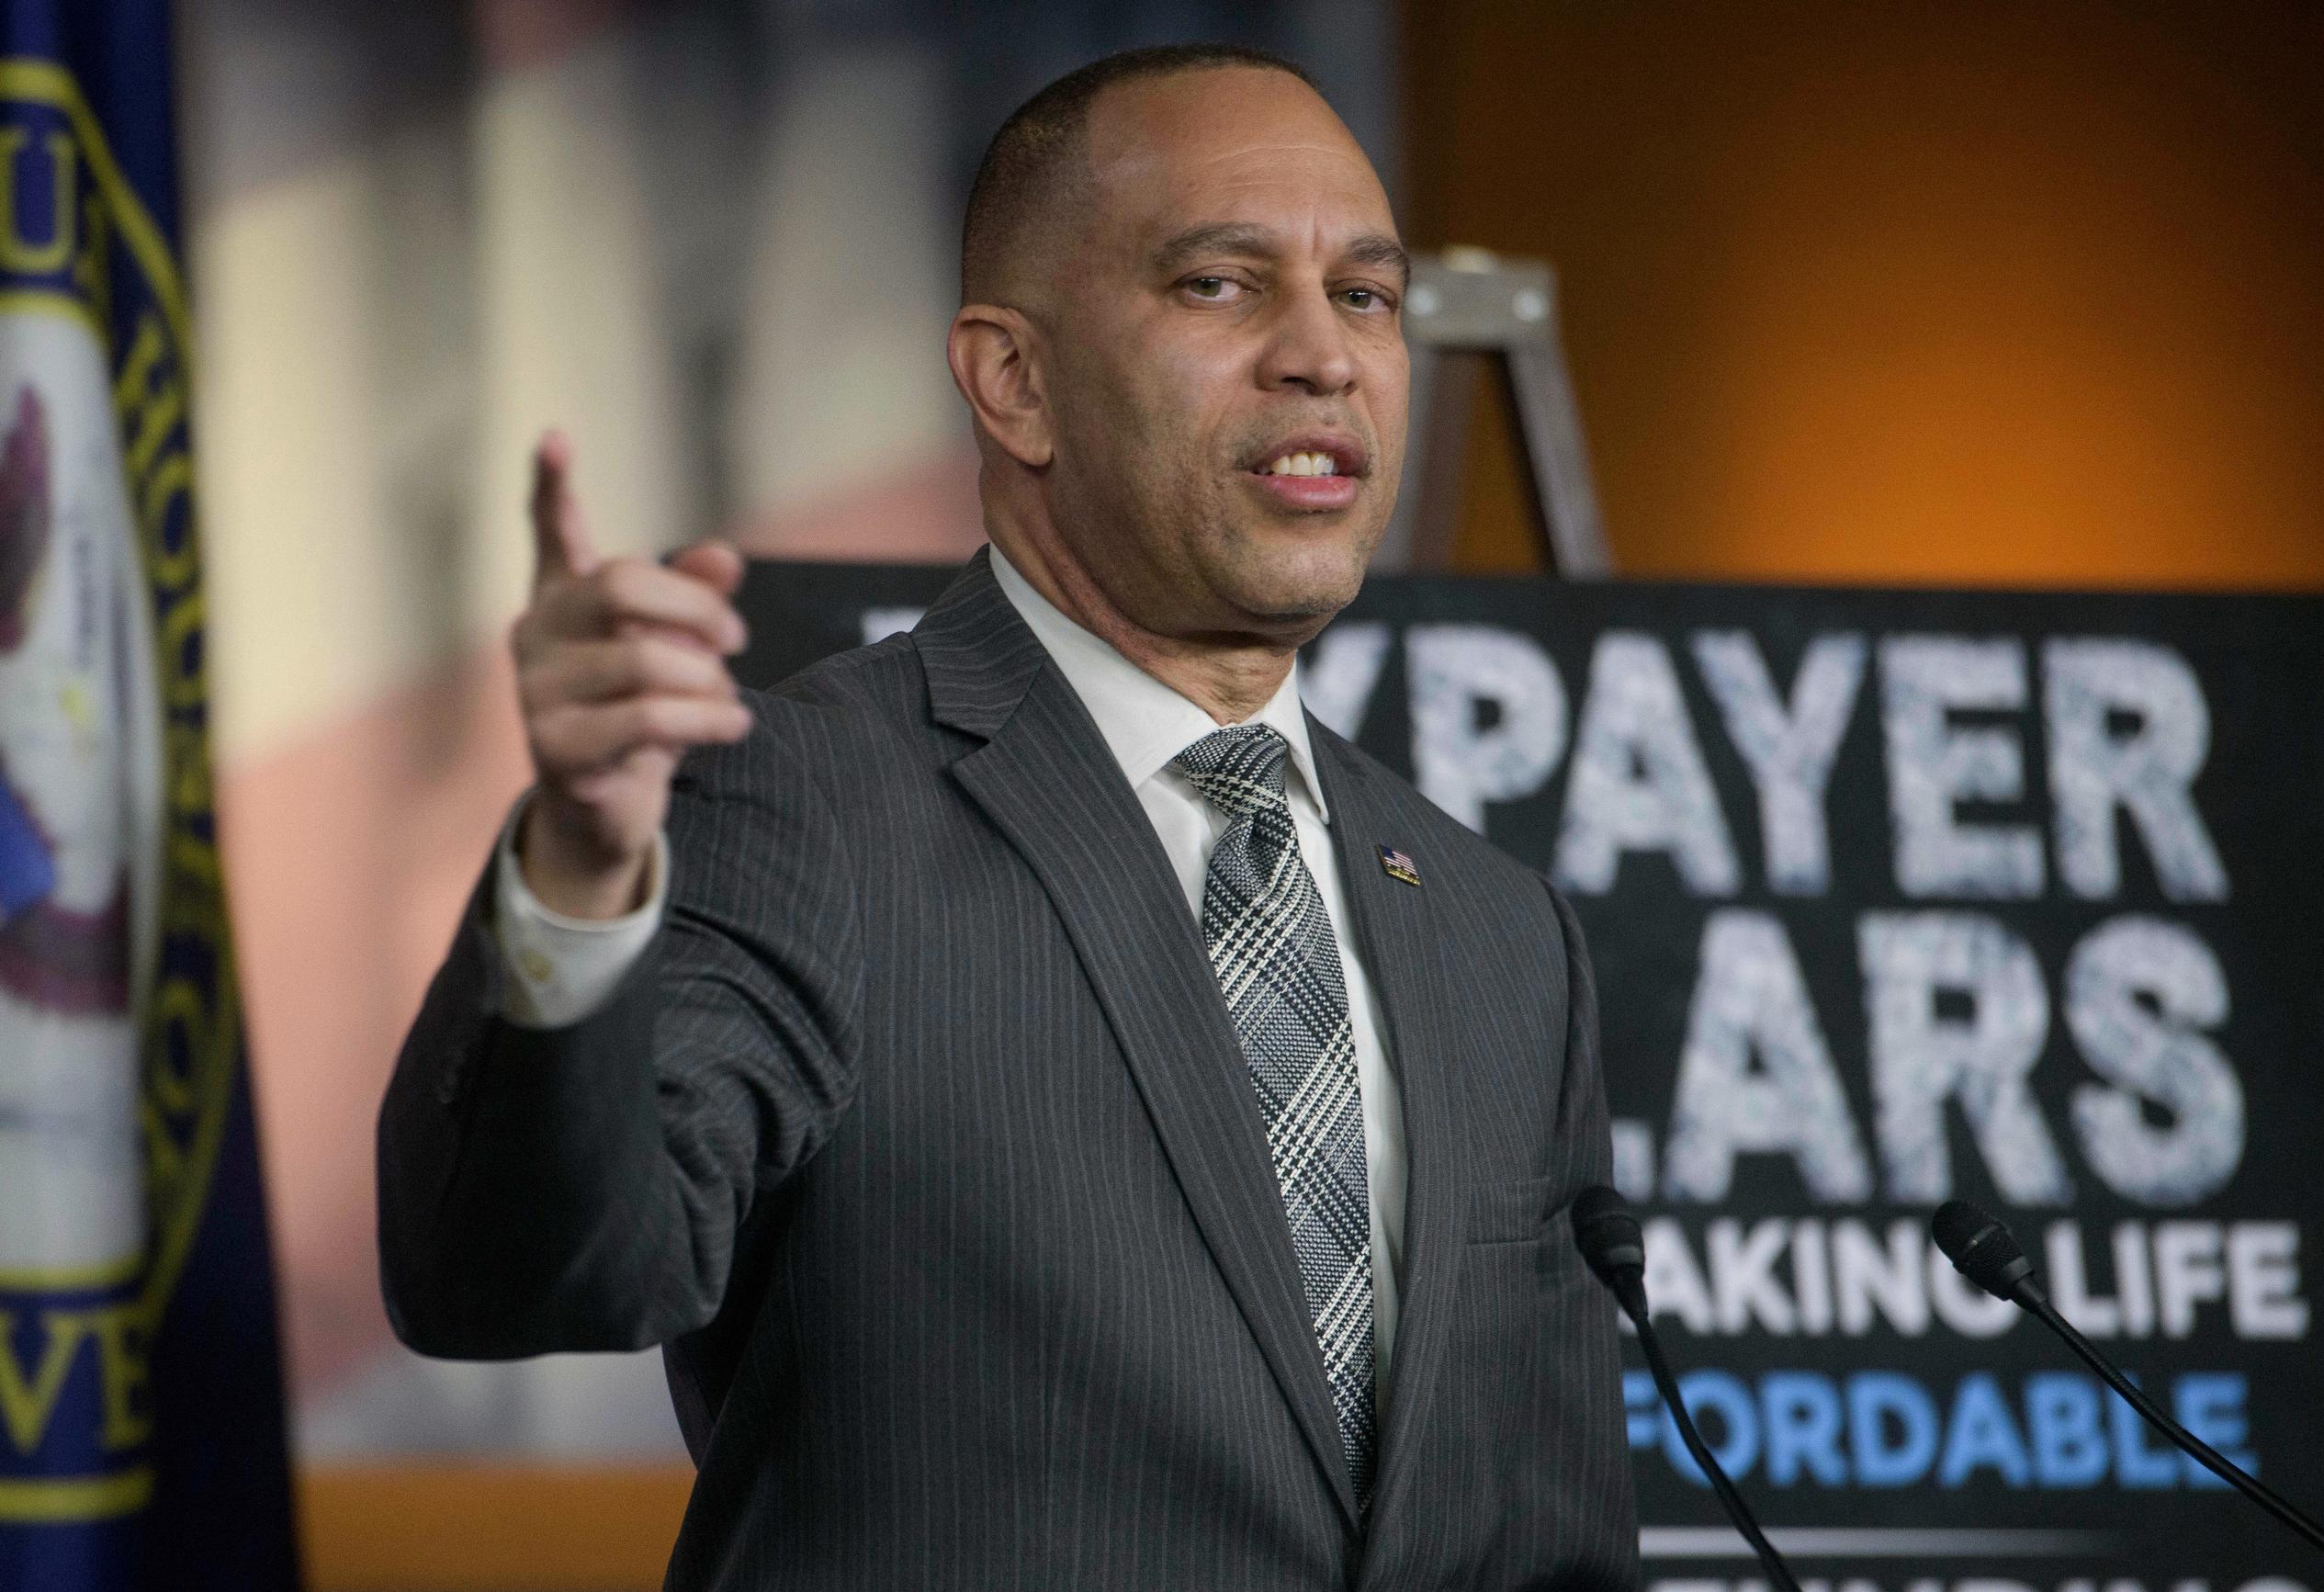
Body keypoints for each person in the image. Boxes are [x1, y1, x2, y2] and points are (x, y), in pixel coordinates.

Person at [378, 42, 1636, 1589]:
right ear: (1013, 380)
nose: (1326, 356)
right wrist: (578, 867)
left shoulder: (1503, 928)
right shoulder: (800, 801)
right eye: (1221, 285)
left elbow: (1555, 1545)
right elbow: (525, 1273)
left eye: (1367, 296)